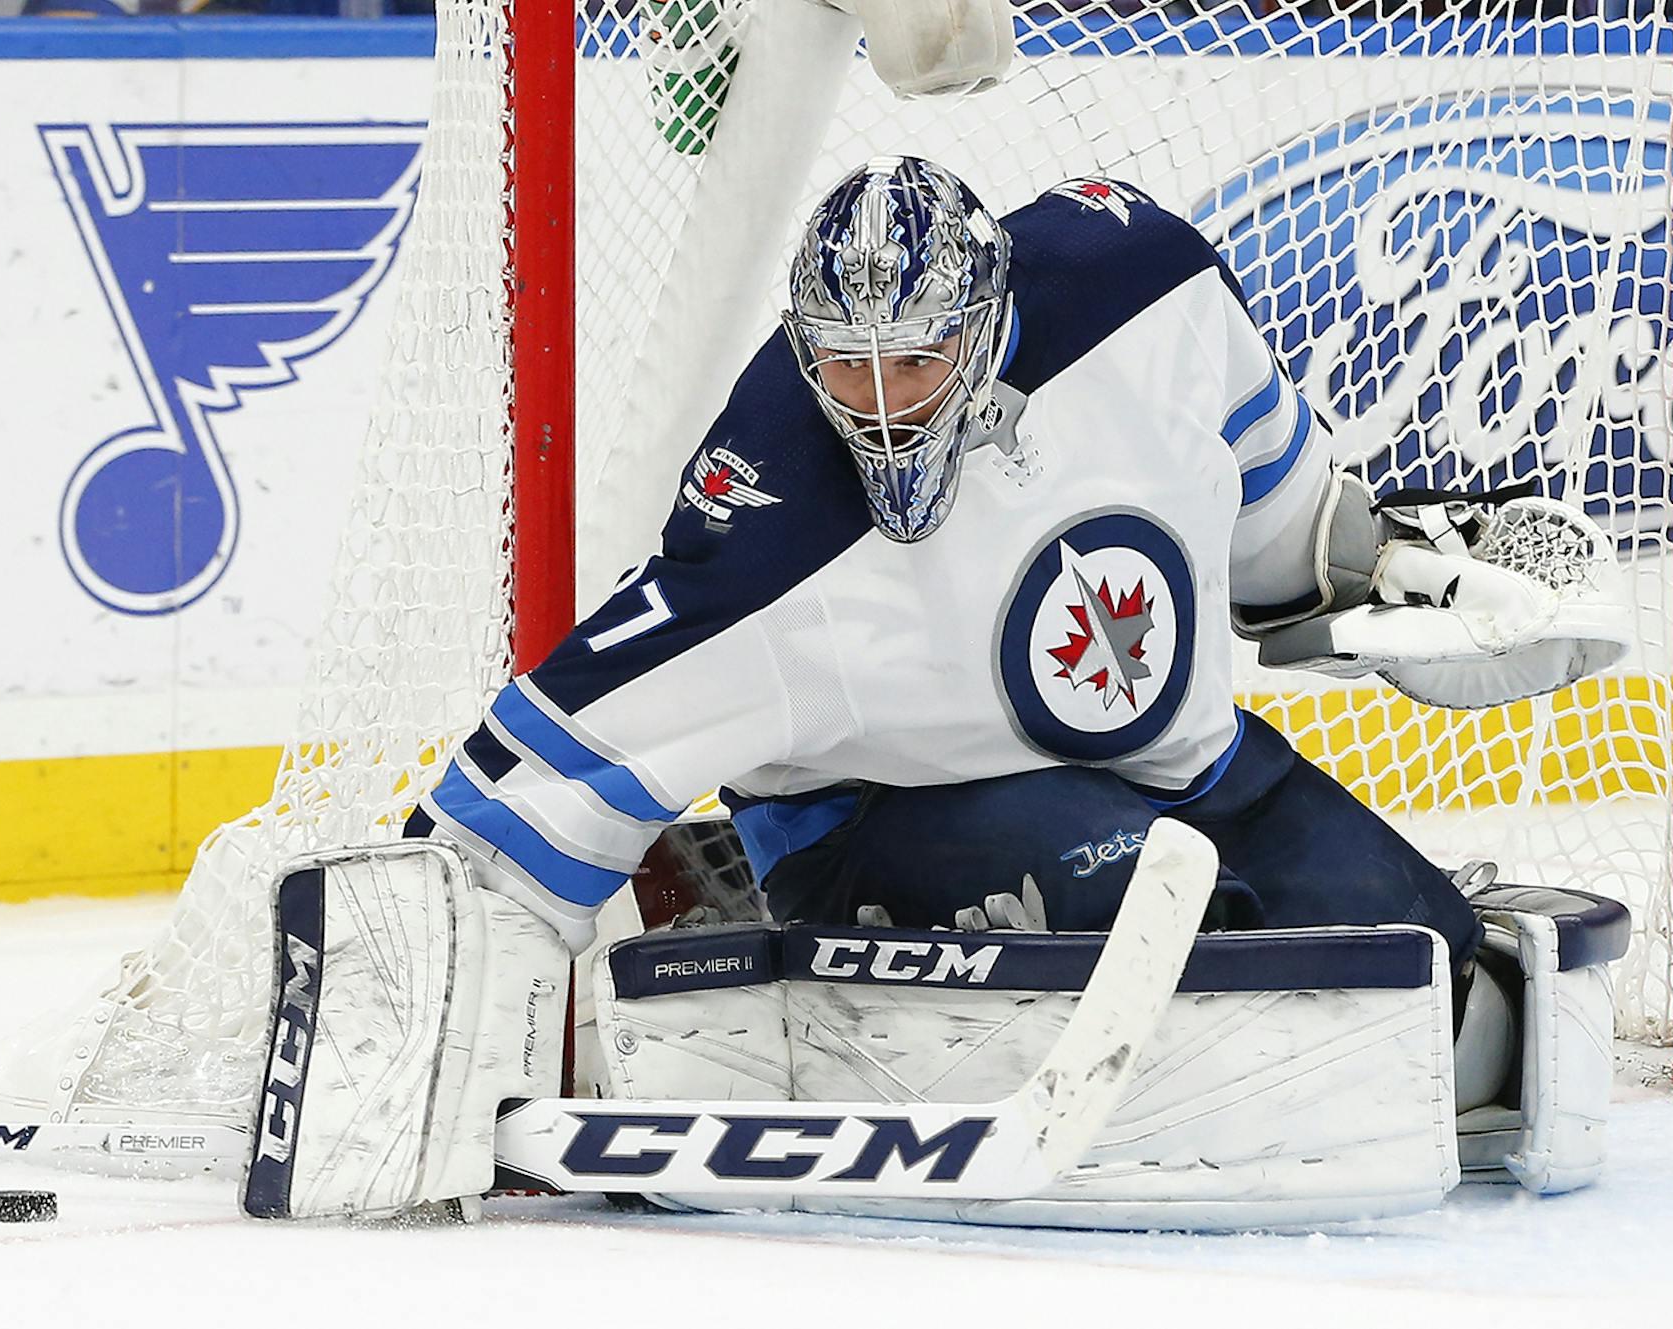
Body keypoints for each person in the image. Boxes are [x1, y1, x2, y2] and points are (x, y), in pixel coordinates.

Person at [404, 155, 1484, 978]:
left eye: (915, 360)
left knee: (1436, 969)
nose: (876, 401)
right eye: (843, 364)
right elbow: (540, 780)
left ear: (987, 324)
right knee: (1188, 937)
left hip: (1189, 771)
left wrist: (1393, 571)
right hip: (884, 817)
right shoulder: (773, 530)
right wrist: (419, 954)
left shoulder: (1151, 289)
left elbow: (1281, 544)